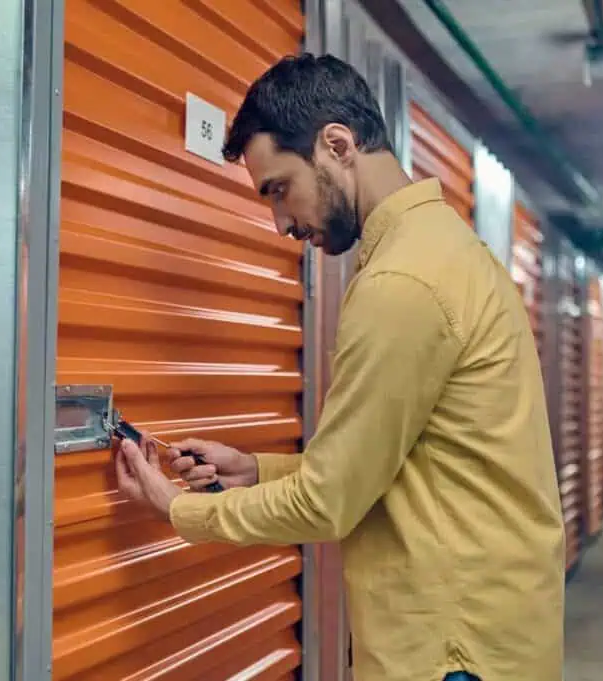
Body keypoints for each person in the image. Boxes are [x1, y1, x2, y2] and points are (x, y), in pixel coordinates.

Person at [113, 53, 565, 681]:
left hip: (450, 653)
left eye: (279, 189)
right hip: (487, 635)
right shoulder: (448, 250)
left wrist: (179, 509)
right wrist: (257, 471)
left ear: (337, 144)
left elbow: (330, 502)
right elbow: (404, 464)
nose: (280, 224)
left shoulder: (403, 281)